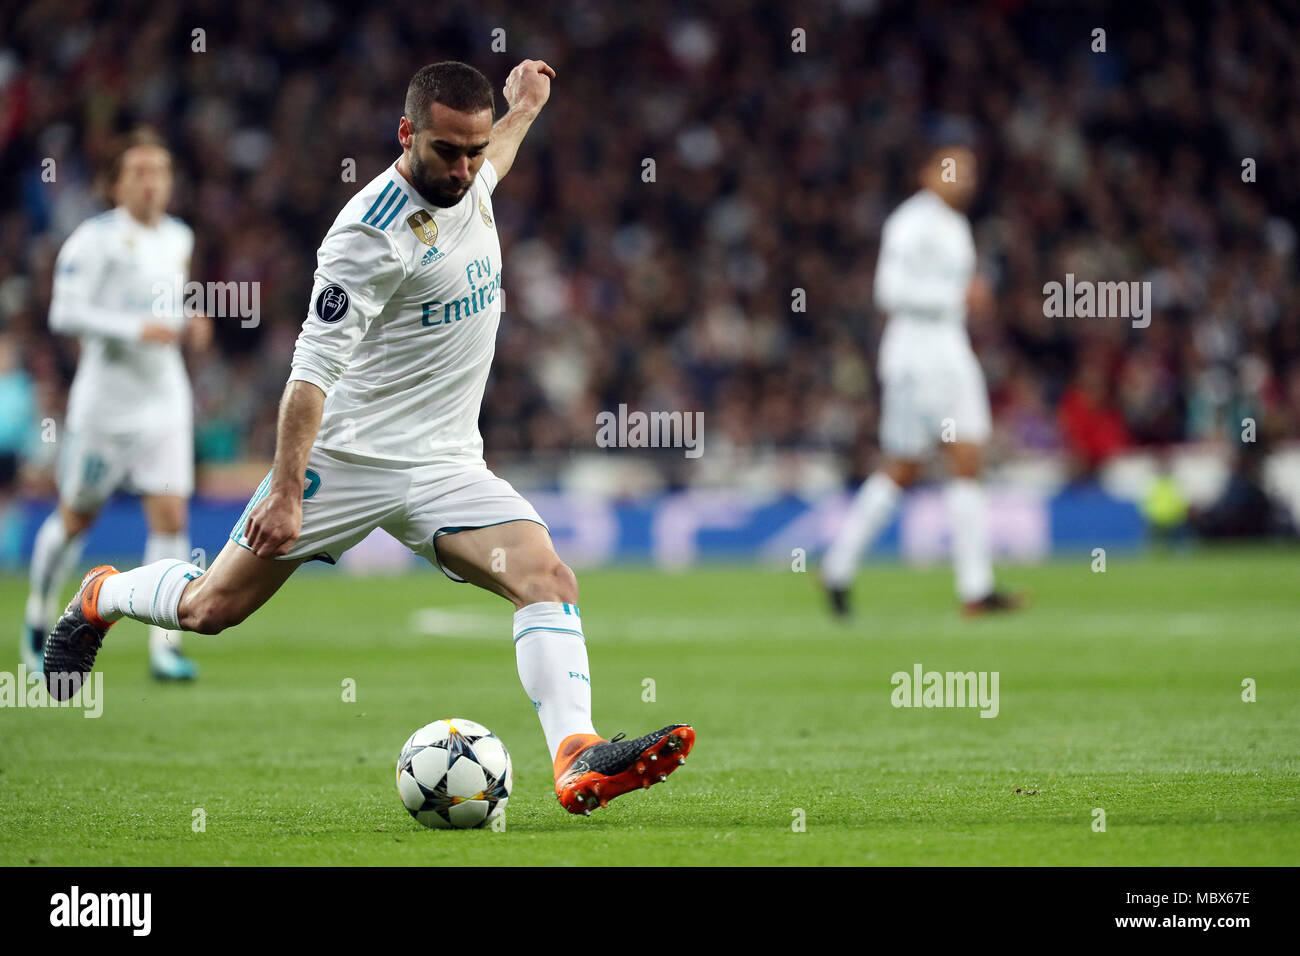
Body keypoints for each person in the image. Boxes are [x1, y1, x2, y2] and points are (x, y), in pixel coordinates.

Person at [44, 60, 693, 816]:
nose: (463, 168)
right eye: (447, 151)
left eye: (474, 149)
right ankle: (102, 594)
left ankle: (576, 752)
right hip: (344, 461)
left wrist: (524, 110)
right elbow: (309, 374)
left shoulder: (473, 173)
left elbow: (494, 165)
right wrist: (287, 490)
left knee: (547, 580)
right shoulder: (365, 235)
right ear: (406, 132)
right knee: (210, 611)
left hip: (447, 463)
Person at [25, 129, 210, 678]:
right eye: (140, 172)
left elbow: (168, 308)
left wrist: (189, 323)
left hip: (164, 401)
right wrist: (137, 328)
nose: (153, 183)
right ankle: (38, 620)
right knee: (77, 516)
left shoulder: (179, 236)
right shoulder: (93, 238)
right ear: (116, 183)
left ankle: (165, 649)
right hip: (105, 407)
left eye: (161, 171)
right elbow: (63, 313)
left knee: (171, 515)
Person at [821, 143, 1019, 617]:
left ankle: (976, 589)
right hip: (915, 354)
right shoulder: (910, 223)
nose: (963, 178)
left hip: (952, 349)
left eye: (970, 170)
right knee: (904, 468)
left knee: (968, 455)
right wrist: (957, 295)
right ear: (927, 172)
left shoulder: (956, 225)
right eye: (953, 169)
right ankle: (838, 566)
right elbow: (888, 291)